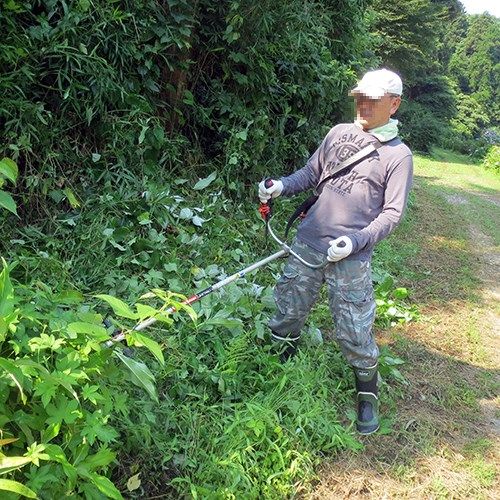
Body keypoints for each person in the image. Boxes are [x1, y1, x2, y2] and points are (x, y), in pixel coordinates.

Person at [258, 68, 413, 435]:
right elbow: (311, 173)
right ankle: (279, 362)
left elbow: (392, 214)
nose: (363, 105)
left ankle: (366, 395)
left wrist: (356, 241)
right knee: (288, 309)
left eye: (372, 100)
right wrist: (281, 185)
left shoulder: (398, 156)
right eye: (359, 97)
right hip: (308, 242)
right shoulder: (338, 133)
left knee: (354, 330)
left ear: (394, 104)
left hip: (351, 258)